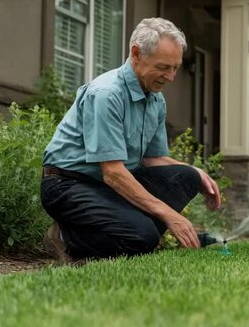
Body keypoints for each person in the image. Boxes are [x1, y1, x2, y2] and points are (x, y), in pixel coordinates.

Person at [40, 17, 221, 264]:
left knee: (187, 177)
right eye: (163, 67)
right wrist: (170, 215)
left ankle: (132, 233)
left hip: (109, 184)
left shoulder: (155, 99)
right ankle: (65, 235)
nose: (170, 77)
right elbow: (113, 172)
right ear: (136, 54)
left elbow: (153, 158)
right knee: (142, 237)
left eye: (175, 67)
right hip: (67, 185)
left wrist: (197, 172)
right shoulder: (106, 94)